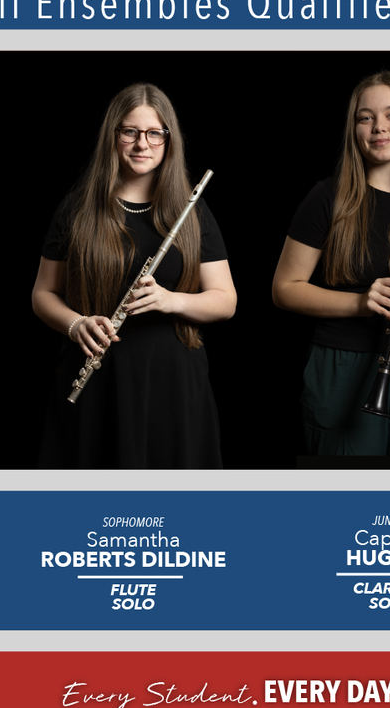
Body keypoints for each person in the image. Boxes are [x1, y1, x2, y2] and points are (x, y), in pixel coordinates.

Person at [31, 83, 236, 468]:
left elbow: (226, 301)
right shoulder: (78, 208)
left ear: (168, 140)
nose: (143, 144)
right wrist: (75, 325)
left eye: (154, 133)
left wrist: (169, 299)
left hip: (173, 383)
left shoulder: (192, 211)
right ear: (114, 136)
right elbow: (42, 294)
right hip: (96, 378)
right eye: (130, 131)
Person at [271, 71, 390, 456]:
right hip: (341, 366)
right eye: (366, 117)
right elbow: (283, 289)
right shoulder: (326, 198)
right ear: (354, 128)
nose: (380, 127)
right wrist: (362, 303)